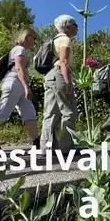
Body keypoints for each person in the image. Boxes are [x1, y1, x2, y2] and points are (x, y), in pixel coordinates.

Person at [0, 28, 40, 150]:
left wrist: (26, 86)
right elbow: (19, 68)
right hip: (14, 83)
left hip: (19, 85)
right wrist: (27, 87)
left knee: (29, 112)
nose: (35, 41)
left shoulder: (22, 51)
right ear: (27, 37)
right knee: (1, 112)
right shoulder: (19, 49)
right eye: (34, 37)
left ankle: (37, 141)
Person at [40, 15, 79, 153]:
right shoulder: (65, 39)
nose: (77, 27)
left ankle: (46, 147)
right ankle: (65, 147)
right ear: (68, 25)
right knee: (70, 112)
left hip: (49, 76)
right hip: (59, 75)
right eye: (75, 24)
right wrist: (69, 83)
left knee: (51, 113)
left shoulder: (54, 40)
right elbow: (63, 61)